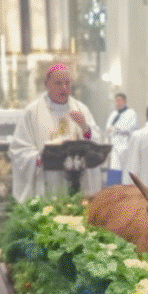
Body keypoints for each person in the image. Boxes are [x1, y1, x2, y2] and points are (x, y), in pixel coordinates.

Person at [9, 62, 103, 201]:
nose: (64, 88)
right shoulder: (32, 112)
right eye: (58, 83)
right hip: (47, 180)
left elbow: (96, 144)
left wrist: (85, 127)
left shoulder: (81, 109)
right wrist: (39, 159)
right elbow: (19, 150)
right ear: (46, 84)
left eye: (67, 83)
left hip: (77, 180)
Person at [104, 93, 138, 186]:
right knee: (114, 167)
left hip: (125, 145)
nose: (117, 102)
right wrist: (111, 130)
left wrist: (118, 129)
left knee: (124, 169)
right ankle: (113, 186)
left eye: (119, 100)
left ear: (124, 101)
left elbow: (132, 128)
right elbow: (108, 127)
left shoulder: (131, 113)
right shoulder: (114, 114)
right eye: (116, 100)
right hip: (114, 145)